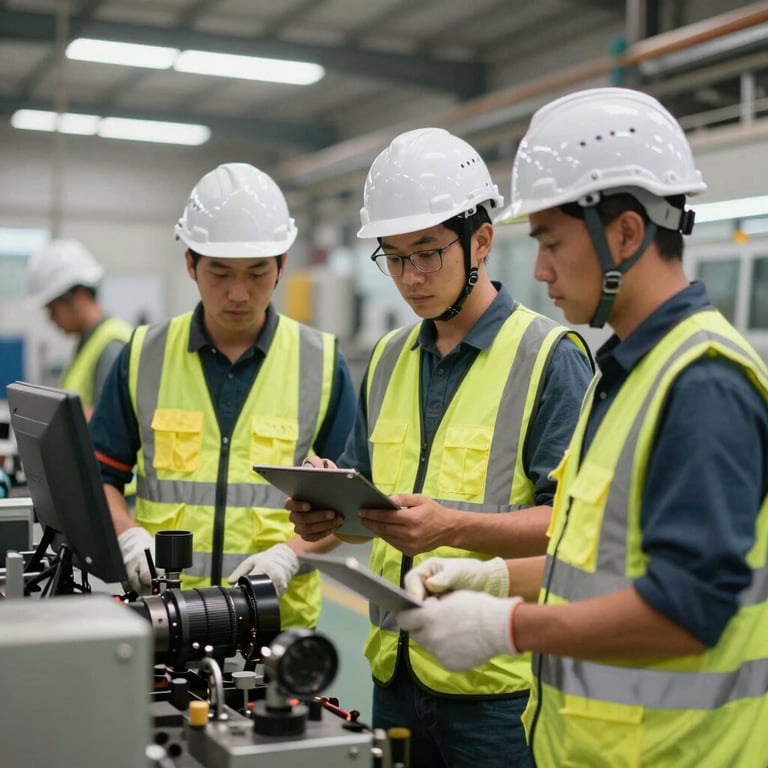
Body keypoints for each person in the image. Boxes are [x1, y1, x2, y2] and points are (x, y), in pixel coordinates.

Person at [398, 87, 768, 768]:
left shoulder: (702, 385)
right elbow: (594, 570)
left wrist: (507, 628)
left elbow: (687, 609)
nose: (538, 271)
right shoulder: (620, 374)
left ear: (625, 232)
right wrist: (492, 580)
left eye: (551, 242)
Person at [289, 128, 594, 768]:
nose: (411, 278)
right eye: (394, 257)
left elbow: (570, 532)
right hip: (395, 676)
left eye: (428, 253)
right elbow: (365, 509)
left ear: (481, 240)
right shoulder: (387, 358)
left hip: (497, 689)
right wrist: (326, 511)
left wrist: (449, 526)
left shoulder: (549, 359)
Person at [89, 162, 356, 632]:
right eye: (219, 273)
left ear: (282, 266)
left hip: (275, 624)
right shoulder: (143, 356)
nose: (238, 293)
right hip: (164, 615)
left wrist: (288, 557)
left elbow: (350, 505)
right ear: (190, 264)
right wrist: (128, 535)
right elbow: (99, 475)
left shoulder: (322, 362)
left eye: (256, 273)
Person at [27, 239, 132, 417]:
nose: (51, 319)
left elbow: (109, 425)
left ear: (79, 296)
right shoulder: (89, 341)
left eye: (53, 309)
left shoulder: (112, 346)